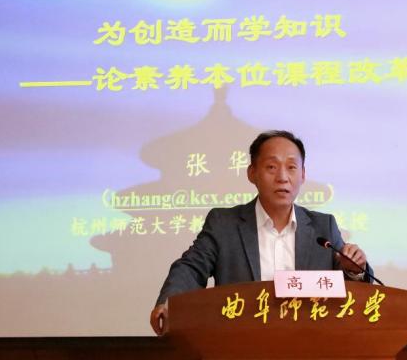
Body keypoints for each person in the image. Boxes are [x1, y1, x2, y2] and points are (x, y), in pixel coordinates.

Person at [149, 130, 371, 335]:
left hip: (310, 346)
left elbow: (351, 292)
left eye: (292, 167)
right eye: (271, 167)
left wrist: (354, 271)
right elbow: (191, 268)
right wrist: (169, 304)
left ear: (303, 175)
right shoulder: (224, 224)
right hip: (241, 346)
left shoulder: (323, 227)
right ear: (252, 173)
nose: (282, 177)